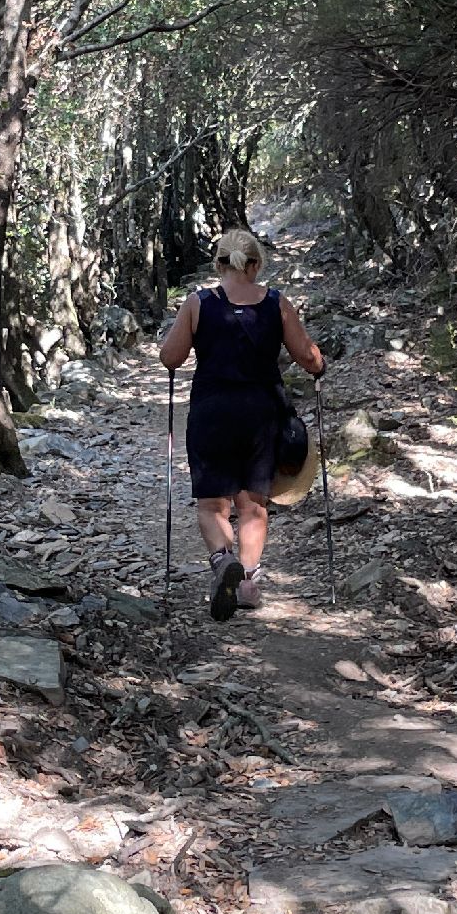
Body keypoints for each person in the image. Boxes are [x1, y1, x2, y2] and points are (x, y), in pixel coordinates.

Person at [159, 227, 326, 620]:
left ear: (219, 264)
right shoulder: (276, 303)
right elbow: (307, 357)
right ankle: (248, 584)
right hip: (262, 414)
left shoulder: (198, 303)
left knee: (212, 504)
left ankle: (223, 561)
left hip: (212, 412)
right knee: (253, 505)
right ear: (255, 265)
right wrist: (319, 366)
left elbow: (170, 358)